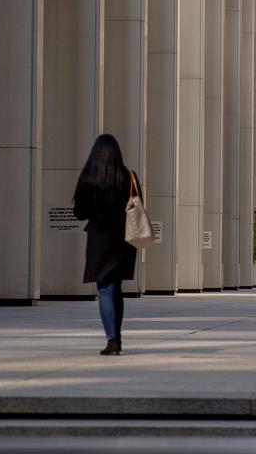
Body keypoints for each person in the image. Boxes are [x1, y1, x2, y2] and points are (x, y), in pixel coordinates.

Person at [73, 134, 140, 356]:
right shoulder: (128, 176)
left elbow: (79, 213)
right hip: (123, 240)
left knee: (105, 289)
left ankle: (112, 340)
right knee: (116, 288)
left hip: (99, 239)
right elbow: (139, 205)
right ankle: (116, 338)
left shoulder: (89, 177)